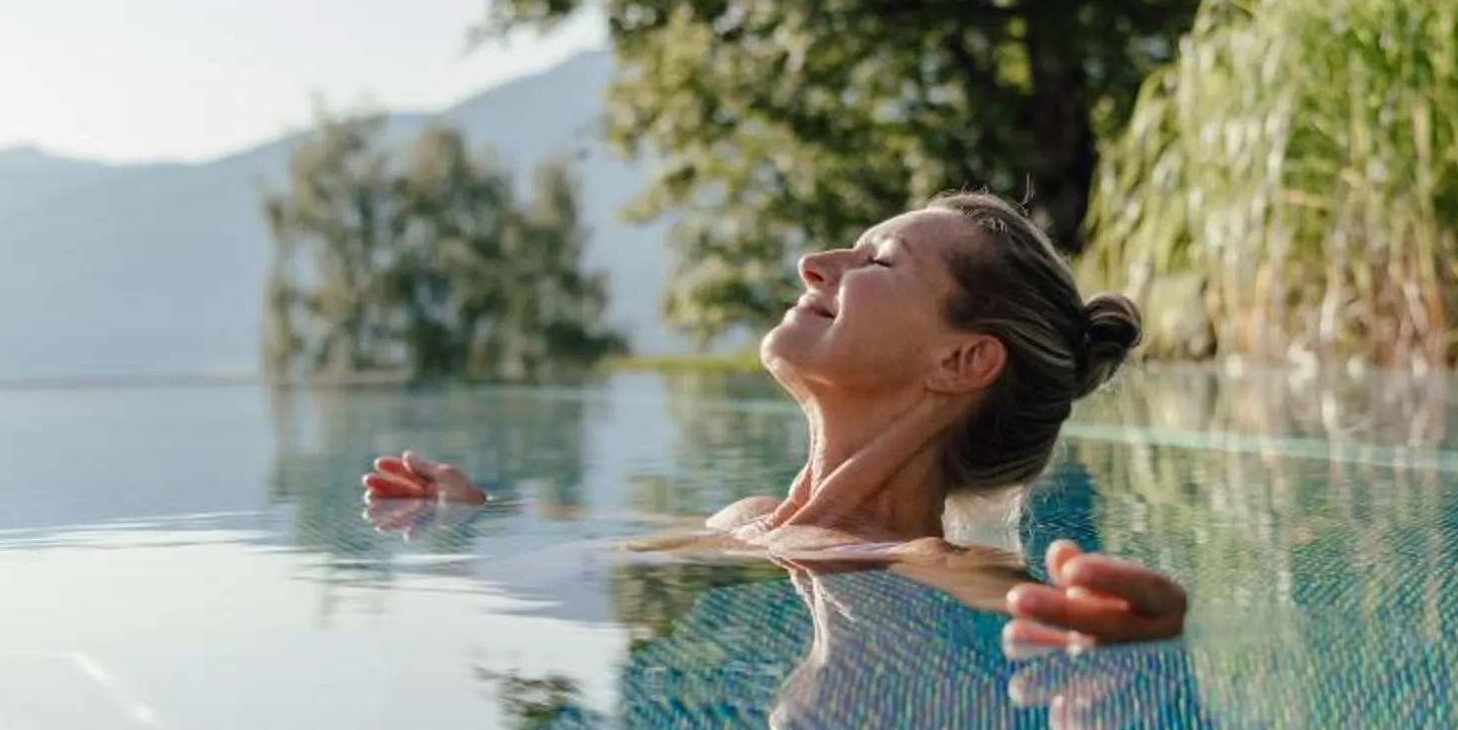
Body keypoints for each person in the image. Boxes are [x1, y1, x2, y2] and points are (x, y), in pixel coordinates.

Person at [363, 190, 1190, 653]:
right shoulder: (752, 520)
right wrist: (469, 513)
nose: (817, 264)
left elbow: (1012, 595)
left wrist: (1125, 629)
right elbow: (607, 533)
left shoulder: (916, 558)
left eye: (879, 262)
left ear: (962, 361)